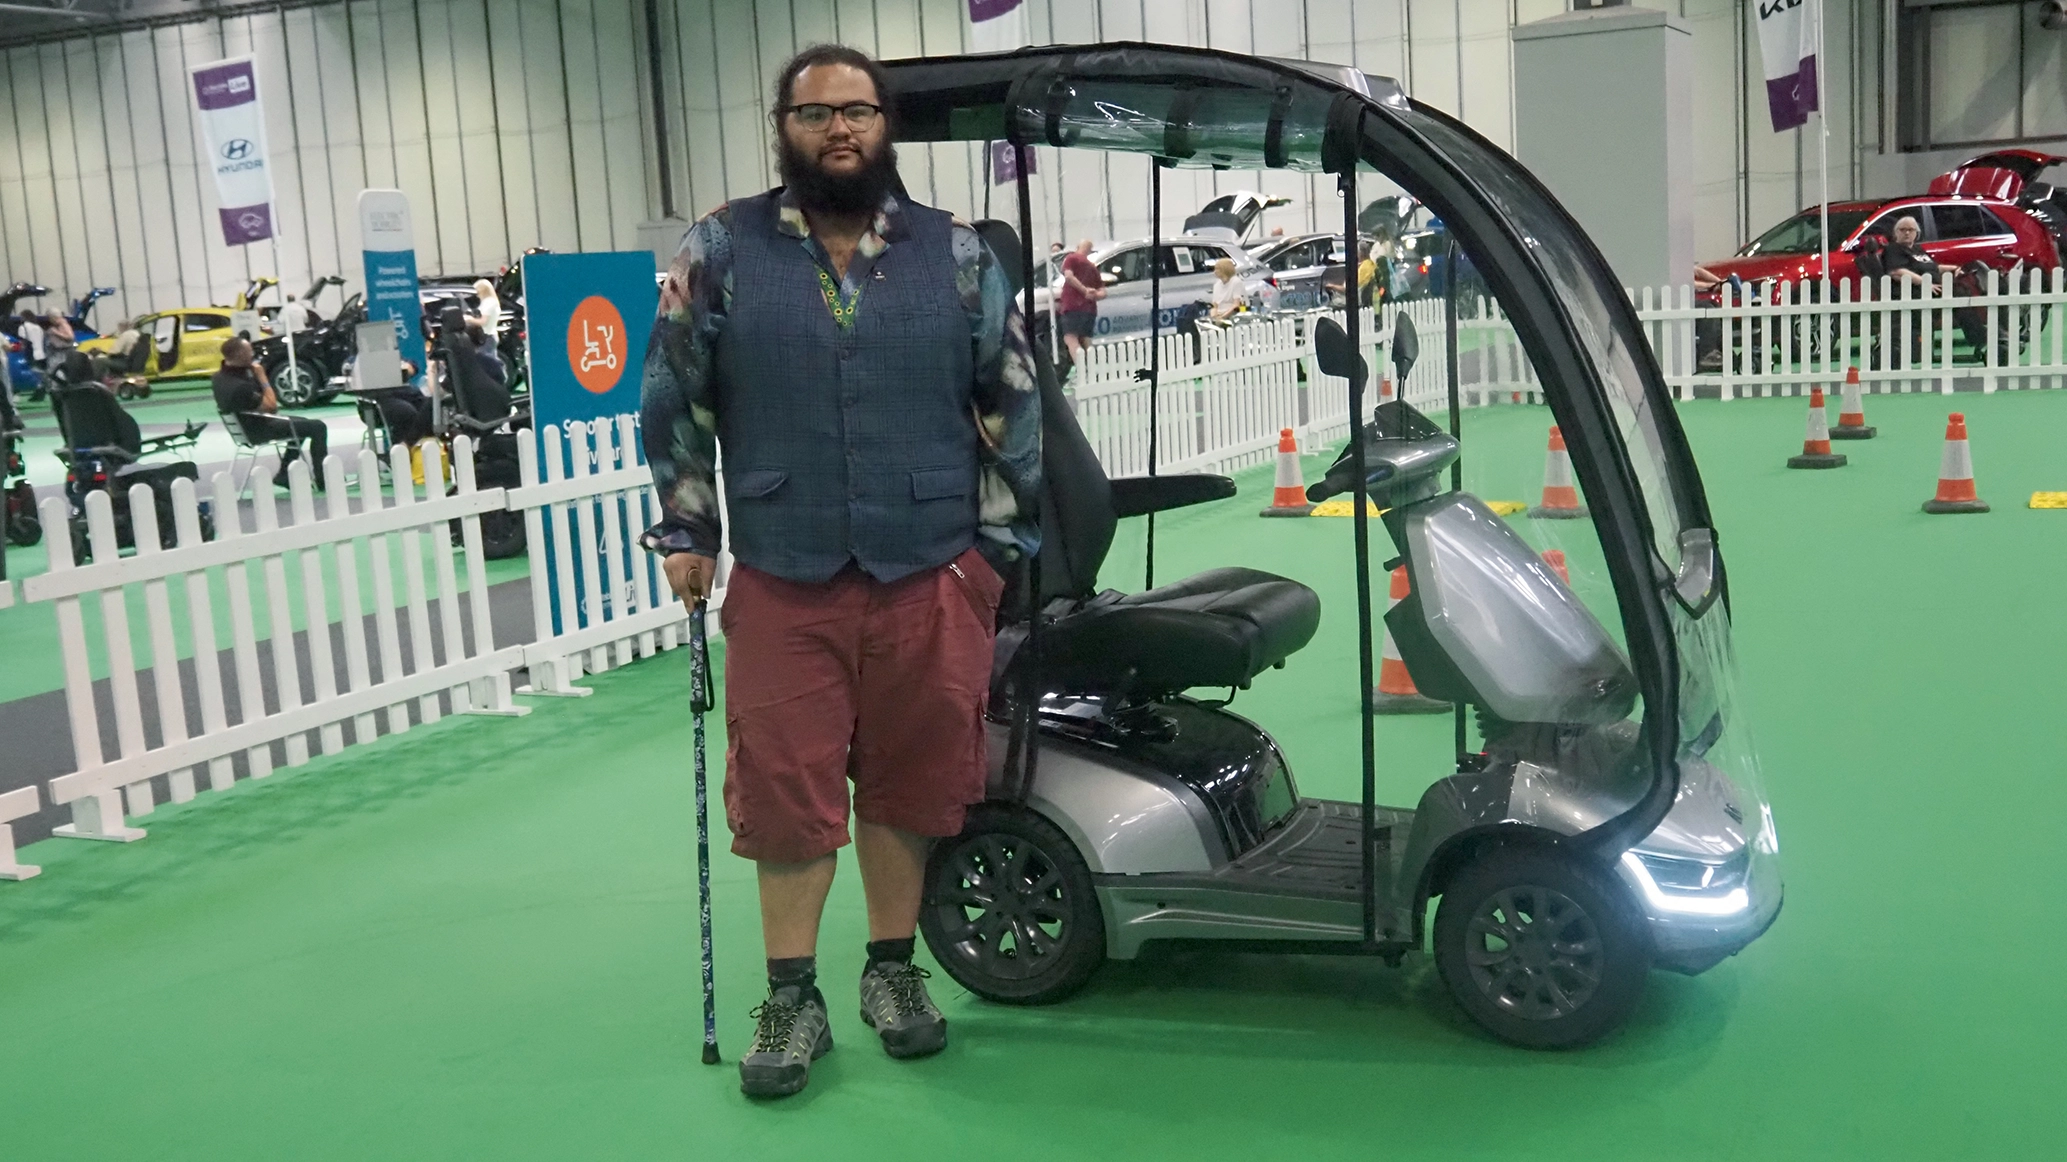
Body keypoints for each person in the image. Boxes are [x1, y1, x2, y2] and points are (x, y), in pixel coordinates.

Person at [640, 42, 1040, 1100]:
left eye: (856, 111)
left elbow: (1013, 399)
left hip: (933, 569)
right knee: (784, 790)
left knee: (910, 783)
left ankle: (892, 973)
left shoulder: (957, 252)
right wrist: (689, 531)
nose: (839, 130)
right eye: (815, 114)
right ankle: (792, 998)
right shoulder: (720, 248)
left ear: (884, 124)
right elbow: (673, 395)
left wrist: (993, 556)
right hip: (785, 571)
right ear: (784, 128)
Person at [212, 337, 328, 489]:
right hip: (259, 429)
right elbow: (272, 407)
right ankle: (323, 479)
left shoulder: (218, 378)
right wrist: (262, 377)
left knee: (302, 423)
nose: (252, 355)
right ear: (240, 354)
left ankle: (284, 474)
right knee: (318, 427)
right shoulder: (240, 386)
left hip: (242, 427)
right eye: (249, 352)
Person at [1055, 237, 1103, 371]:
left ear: (1077, 247)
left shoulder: (1071, 258)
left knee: (1070, 338)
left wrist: (1084, 290)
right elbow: (1103, 291)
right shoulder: (1092, 267)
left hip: (1073, 306)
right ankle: (1093, 369)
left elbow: (1069, 276)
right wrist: (1094, 294)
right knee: (1085, 339)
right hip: (1090, 309)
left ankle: (1082, 370)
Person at [1884, 216, 1943, 290]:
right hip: (1916, 289)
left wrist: (1954, 268)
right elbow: (1897, 272)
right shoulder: (1893, 249)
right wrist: (1926, 283)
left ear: (1916, 233)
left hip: (1933, 286)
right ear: (1896, 232)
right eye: (1902, 230)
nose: (1907, 233)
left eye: (1911, 230)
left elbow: (1934, 267)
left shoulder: (1917, 248)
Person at [1208, 256, 1248, 322]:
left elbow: (1236, 305)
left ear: (1225, 269)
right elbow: (1215, 306)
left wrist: (1222, 317)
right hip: (1220, 315)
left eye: (1217, 269)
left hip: (1233, 316)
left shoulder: (1236, 282)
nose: (1215, 272)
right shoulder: (1217, 285)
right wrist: (1214, 318)